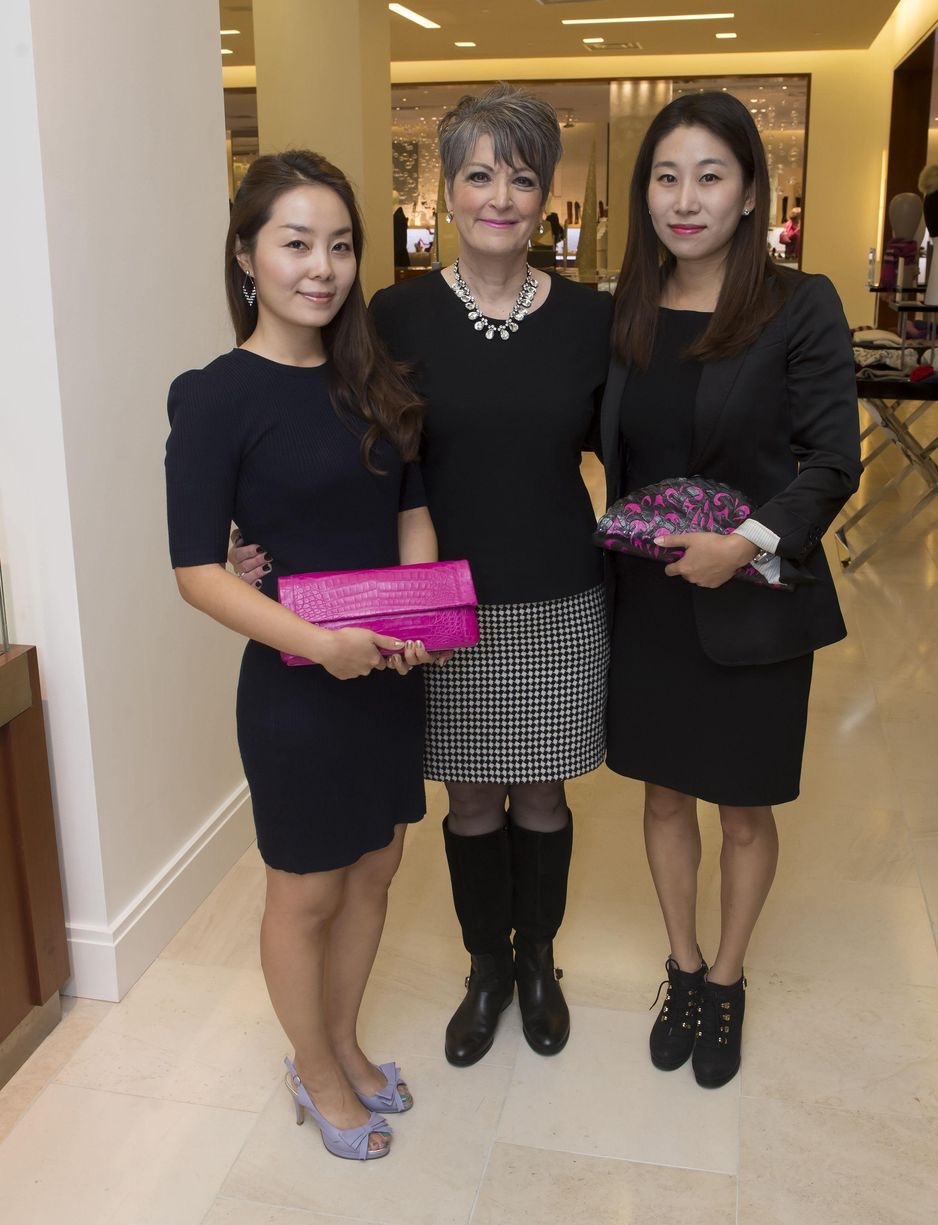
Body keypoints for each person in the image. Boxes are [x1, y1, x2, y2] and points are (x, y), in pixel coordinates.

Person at [235, 84, 612, 1068]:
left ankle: (539, 961)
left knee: (542, 796)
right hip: (436, 602)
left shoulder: (591, 319)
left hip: (559, 596)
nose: (498, 194)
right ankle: (485, 964)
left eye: (520, 177)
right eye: (477, 174)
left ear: (545, 197)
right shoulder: (391, 317)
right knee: (471, 801)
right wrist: (254, 536)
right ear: (443, 192)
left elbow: (639, 444)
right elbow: (322, 435)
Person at [166, 150, 444, 1160]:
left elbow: (409, 504)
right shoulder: (214, 396)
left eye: (338, 245)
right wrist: (320, 647)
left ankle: (342, 1038)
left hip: (385, 676)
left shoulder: (370, 375)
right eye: (294, 244)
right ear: (247, 257)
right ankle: (314, 1066)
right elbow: (199, 570)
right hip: (297, 683)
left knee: (376, 865)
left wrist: (414, 615)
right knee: (307, 886)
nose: (319, 267)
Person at [601, 92, 861, 1088]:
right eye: (665, 176)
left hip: (749, 601)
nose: (684, 197)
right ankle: (678, 963)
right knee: (663, 796)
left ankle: (725, 976)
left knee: (742, 810)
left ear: (750, 192)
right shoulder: (627, 304)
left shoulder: (799, 305)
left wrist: (742, 541)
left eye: (709, 175)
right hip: (649, 602)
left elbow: (828, 460)